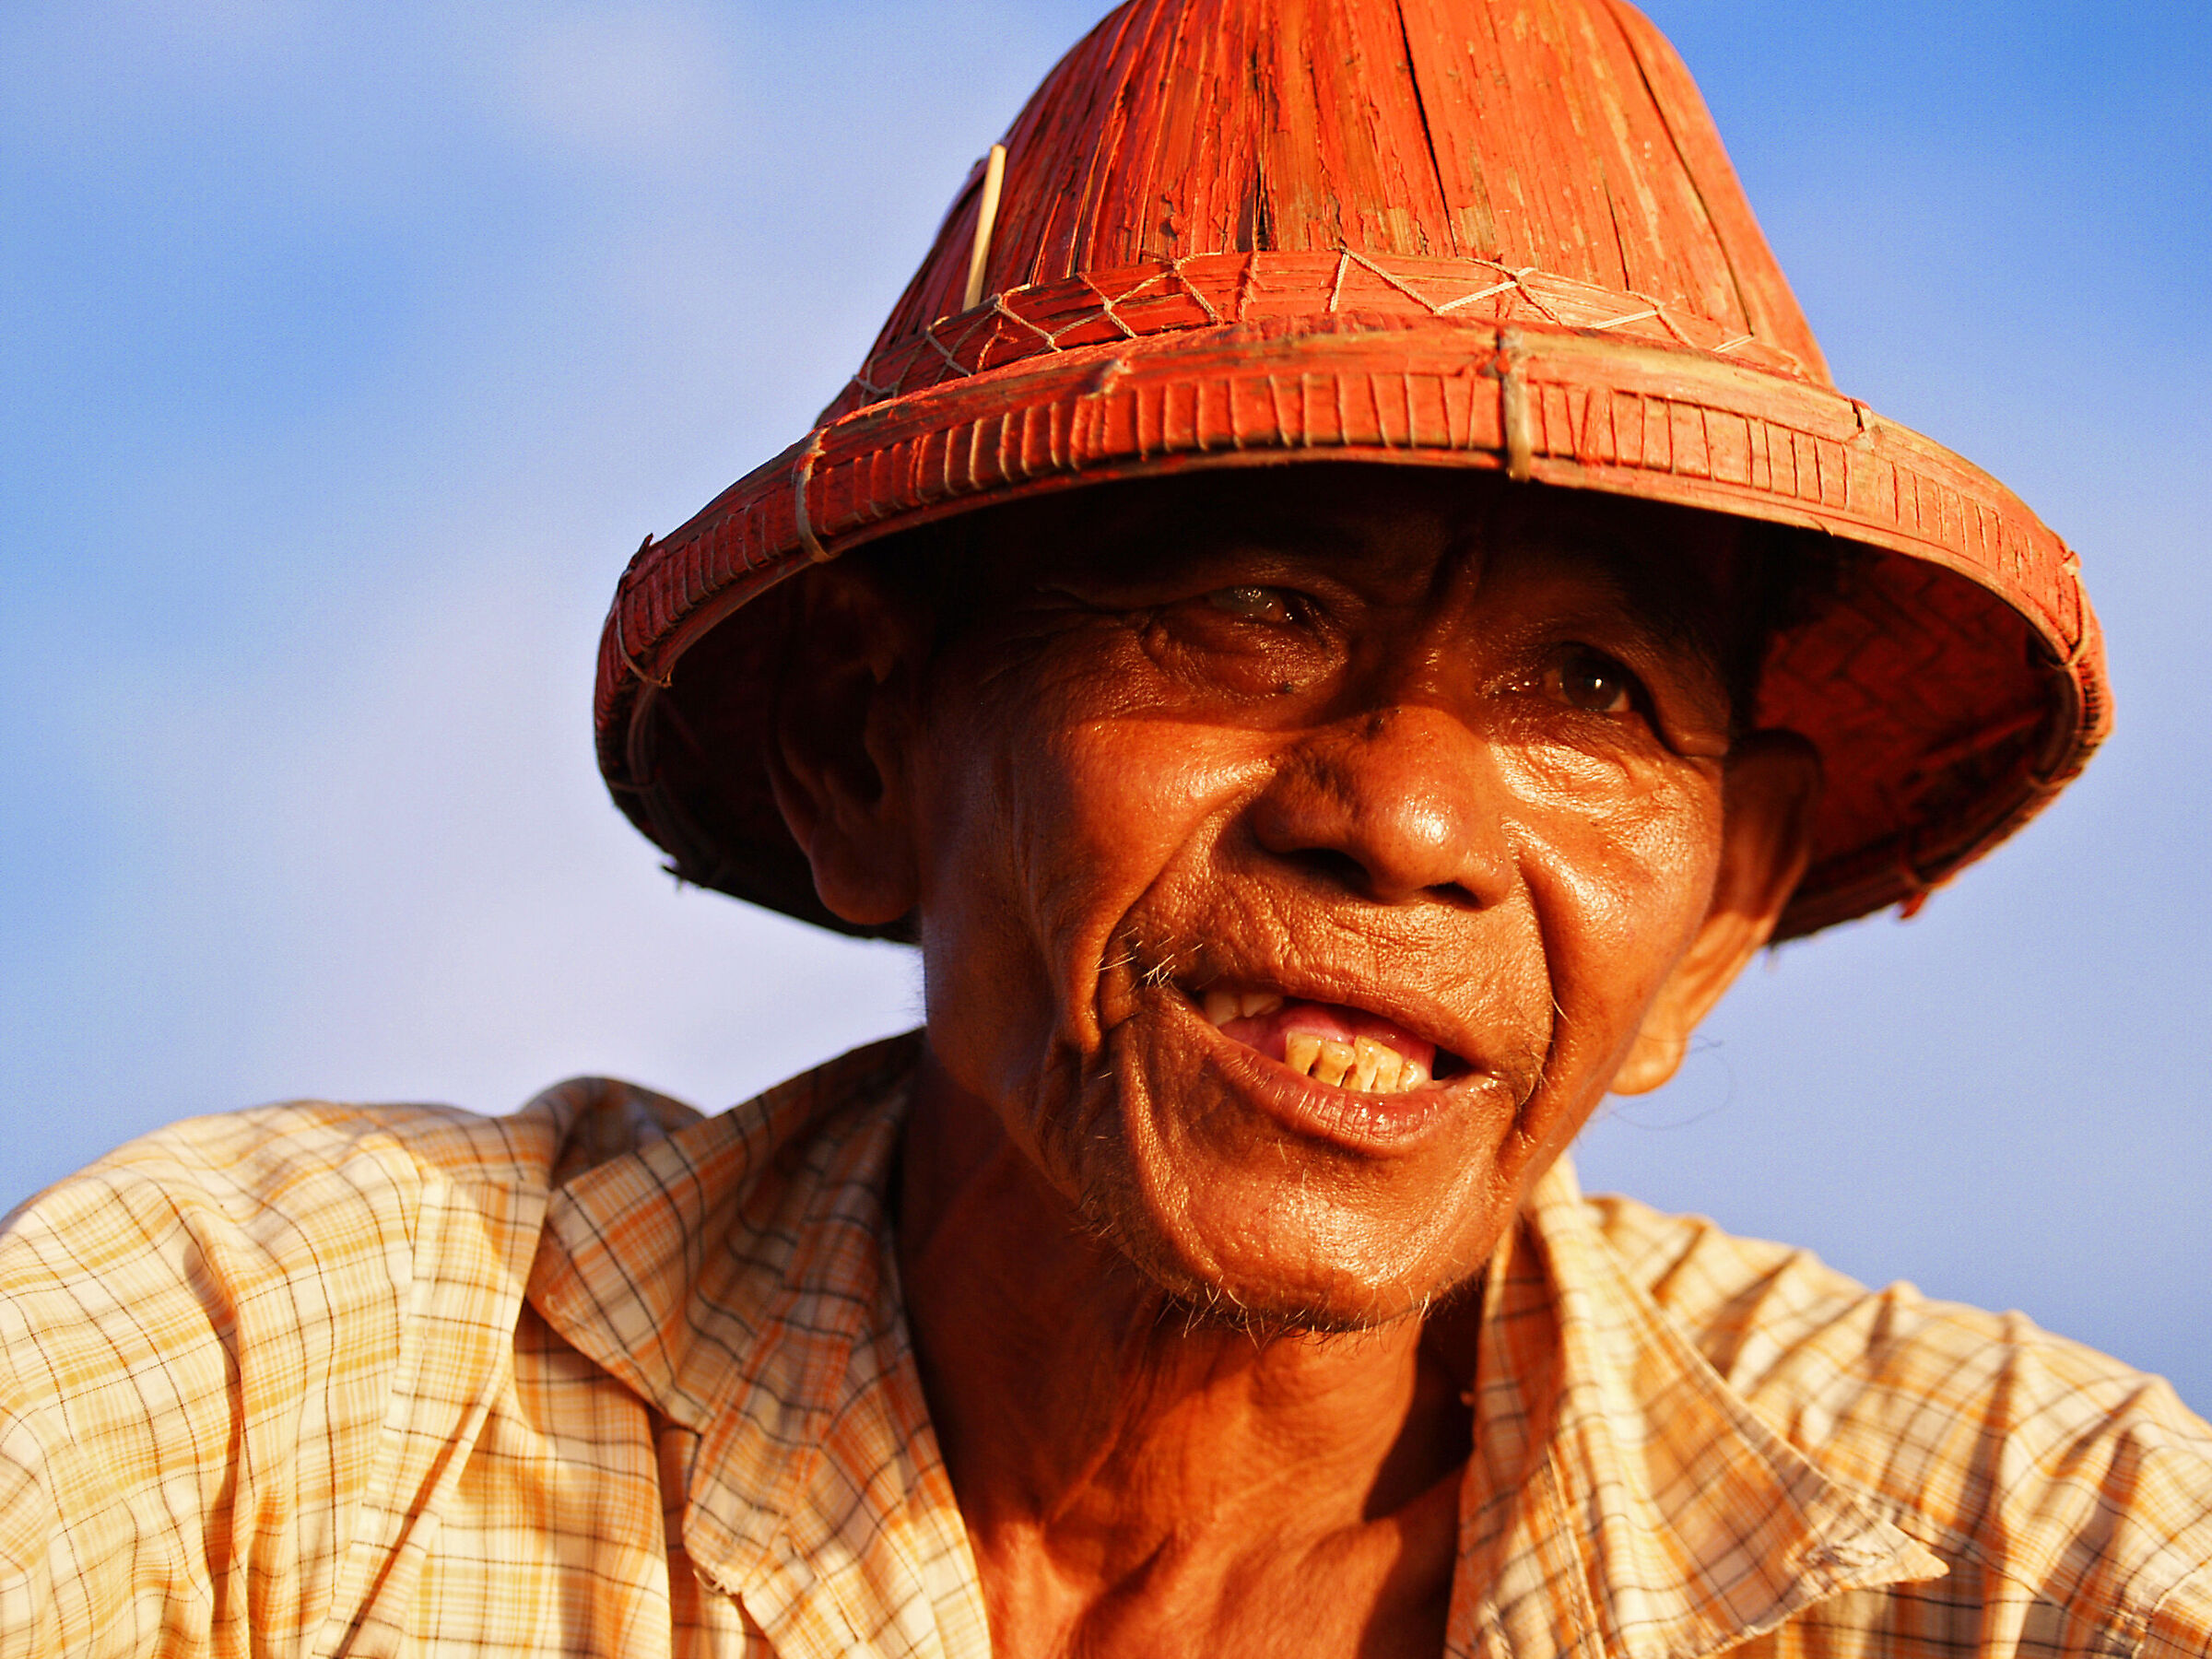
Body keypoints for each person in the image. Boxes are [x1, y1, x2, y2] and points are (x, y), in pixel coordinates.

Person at [1, 1, 2204, 1655]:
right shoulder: (297, 1385)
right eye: (1255, 609)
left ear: (1718, 919)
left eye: (1591, 694)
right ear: (873, 753)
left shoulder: (2003, 1548)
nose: (1413, 821)